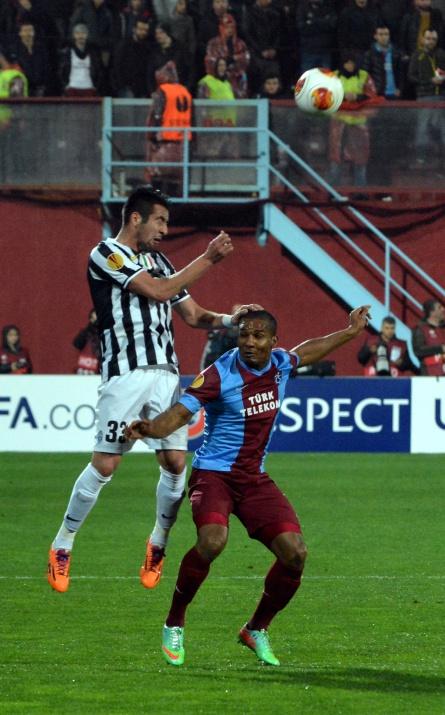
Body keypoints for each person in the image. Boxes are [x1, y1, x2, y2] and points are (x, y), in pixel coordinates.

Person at [125, 305, 371, 666]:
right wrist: (149, 429)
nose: (249, 342)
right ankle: (174, 621)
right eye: (244, 335)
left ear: (273, 341)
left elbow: (308, 351)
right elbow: (181, 413)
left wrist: (350, 332)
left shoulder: (280, 363)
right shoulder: (218, 374)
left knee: (295, 554)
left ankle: (256, 628)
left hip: (254, 478)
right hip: (214, 475)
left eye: (258, 336)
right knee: (213, 541)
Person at [47, 184, 260, 595]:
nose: (164, 229)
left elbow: (193, 315)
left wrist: (230, 320)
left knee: (176, 462)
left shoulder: (161, 261)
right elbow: (159, 291)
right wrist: (208, 258)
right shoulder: (106, 253)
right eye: (159, 220)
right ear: (135, 218)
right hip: (125, 374)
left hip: (166, 374)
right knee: (106, 465)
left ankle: (158, 543)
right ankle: (63, 543)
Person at [144, 60, 192, 193]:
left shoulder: (163, 91)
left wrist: (151, 136)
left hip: (165, 140)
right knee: (175, 181)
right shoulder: (184, 91)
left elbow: (156, 116)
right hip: (182, 143)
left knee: (158, 177)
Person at [408, 28, 445, 165]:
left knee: (443, 129)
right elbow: (411, 77)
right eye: (428, 38)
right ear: (422, 39)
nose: (431, 41)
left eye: (434, 39)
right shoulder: (417, 55)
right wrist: (429, 81)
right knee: (422, 128)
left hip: (441, 97)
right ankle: (421, 158)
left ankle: (442, 158)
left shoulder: (441, 54)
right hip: (424, 96)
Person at [204, 13, 249, 98]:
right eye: (227, 27)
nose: (229, 30)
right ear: (221, 28)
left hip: (236, 78)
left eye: (232, 27)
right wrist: (223, 62)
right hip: (218, 79)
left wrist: (234, 58)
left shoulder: (240, 43)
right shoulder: (213, 43)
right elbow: (209, 60)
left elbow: (246, 58)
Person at [59, 22, 104, 96]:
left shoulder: (93, 53)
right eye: (78, 33)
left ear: (87, 35)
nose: (80, 36)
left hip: (89, 88)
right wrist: (65, 86)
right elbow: (61, 71)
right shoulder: (67, 52)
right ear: (74, 35)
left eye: (83, 33)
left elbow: (99, 71)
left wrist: (96, 86)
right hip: (72, 88)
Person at [296, 0, 338, 75]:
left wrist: (312, 21)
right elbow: (302, 28)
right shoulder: (303, 8)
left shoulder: (329, 7)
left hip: (325, 49)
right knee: (307, 78)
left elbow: (332, 26)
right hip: (308, 50)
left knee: (325, 78)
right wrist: (323, 21)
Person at [199, 301, 240, 368]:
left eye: (239, 316)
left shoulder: (249, 337)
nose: (237, 320)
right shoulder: (219, 334)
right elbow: (208, 356)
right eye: (234, 315)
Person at [412, 298, 445, 375]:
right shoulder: (420, 329)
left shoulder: (443, 328)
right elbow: (418, 351)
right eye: (439, 307)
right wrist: (441, 348)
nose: (443, 309)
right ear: (432, 312)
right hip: (430, 375)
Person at [73, 308, 101, 374]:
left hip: (99, 368)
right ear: (90, 319)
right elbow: (77, 344)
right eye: (94, 318)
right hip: (86, 368)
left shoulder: (104, 333)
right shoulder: (86, 333)